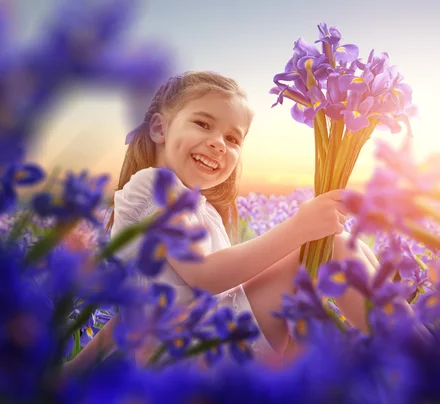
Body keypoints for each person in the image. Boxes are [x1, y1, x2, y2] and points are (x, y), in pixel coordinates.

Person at [62, 71, 384, 374]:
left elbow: (130, 316)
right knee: (334, 250)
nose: (219, 143)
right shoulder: (152, 186)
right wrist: (300, 229)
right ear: (159, 129)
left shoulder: (204, 212)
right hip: (199, 351)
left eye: (233, 139)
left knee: (349, 250)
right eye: (203, 124)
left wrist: (70, 374)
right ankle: (417, 360)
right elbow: (205, 276)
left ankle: (414, 354)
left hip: (196, 351)